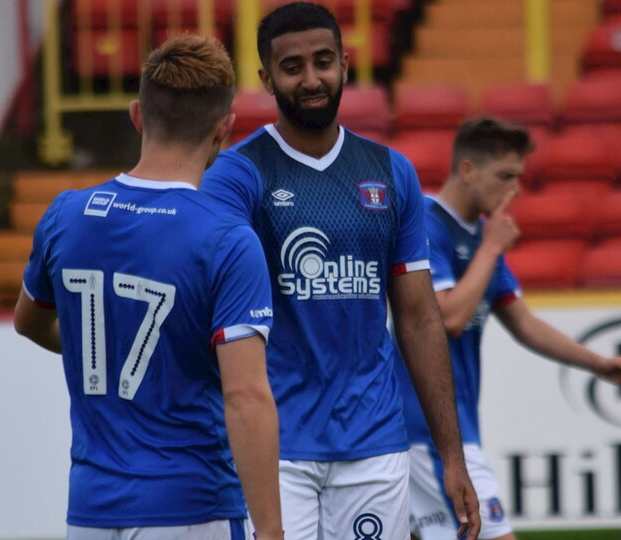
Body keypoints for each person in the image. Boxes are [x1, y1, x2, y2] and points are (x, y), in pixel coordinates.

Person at [200, 3, 480, 539]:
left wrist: (452, 455)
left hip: (375, 444)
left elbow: (419, 318)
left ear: (345, 65)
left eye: (323, 62)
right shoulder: (237, 175)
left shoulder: (391, 172)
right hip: (275, 448)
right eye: (292, 67)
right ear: (267, 79)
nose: (311, 80)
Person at [13, 35, 282, 540]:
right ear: (224, 130)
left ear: (137, 116)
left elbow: (27, 322)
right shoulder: (226, 239)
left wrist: (106, 349)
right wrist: (271, 531)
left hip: (90, 511)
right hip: (191, 508)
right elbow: (246, 396)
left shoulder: (65, 214)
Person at [397, 117, 621, 540]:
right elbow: (448, 318)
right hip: (426, 427)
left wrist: (599, 365)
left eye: (519, 177)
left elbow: (523, 322)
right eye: (505, 176)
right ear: (468, 170)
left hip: (448, 427)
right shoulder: (424, 221)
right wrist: (492, 248)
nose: (515, 189)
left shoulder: (479, 236)